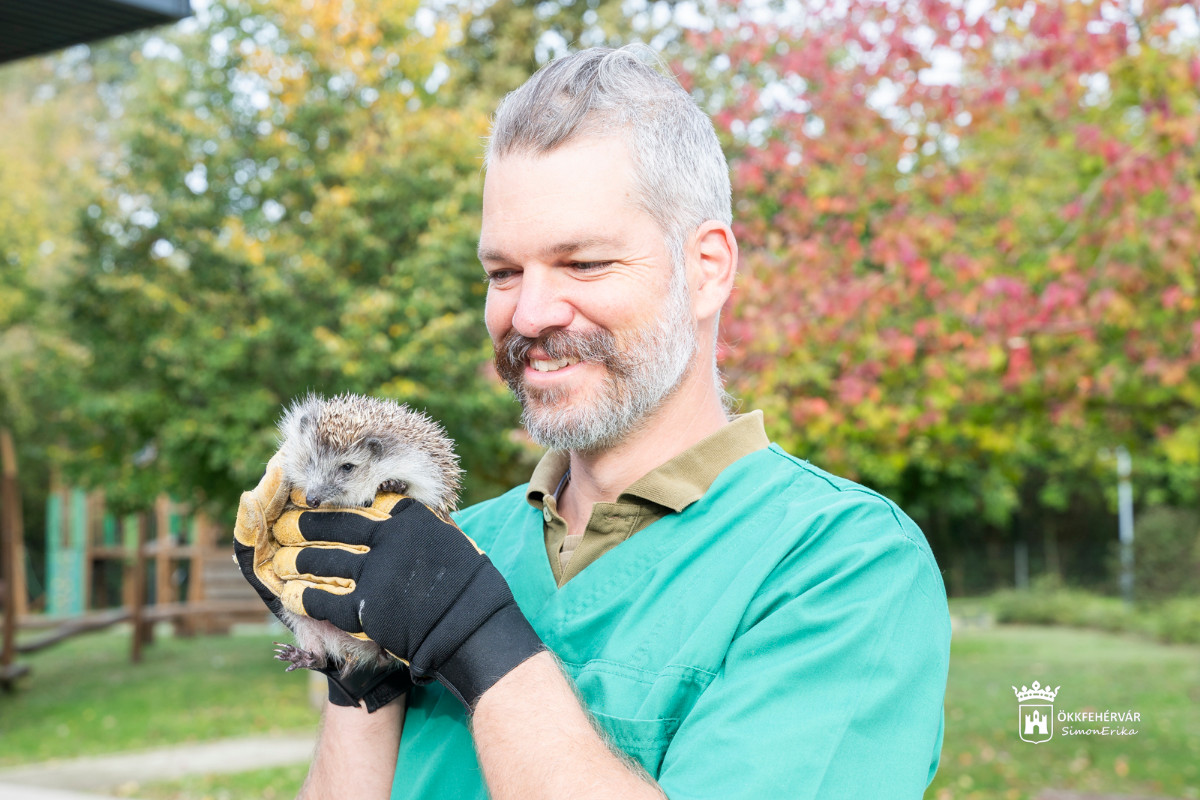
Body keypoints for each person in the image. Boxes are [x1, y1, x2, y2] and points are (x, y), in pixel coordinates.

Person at [235, 45, 950, 800]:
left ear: (707, 268)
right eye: (503, 272)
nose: (530, 313)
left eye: (584, 264)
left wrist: (477, 639)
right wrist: (355, 671)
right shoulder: (446, 546)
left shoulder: (844, 565)